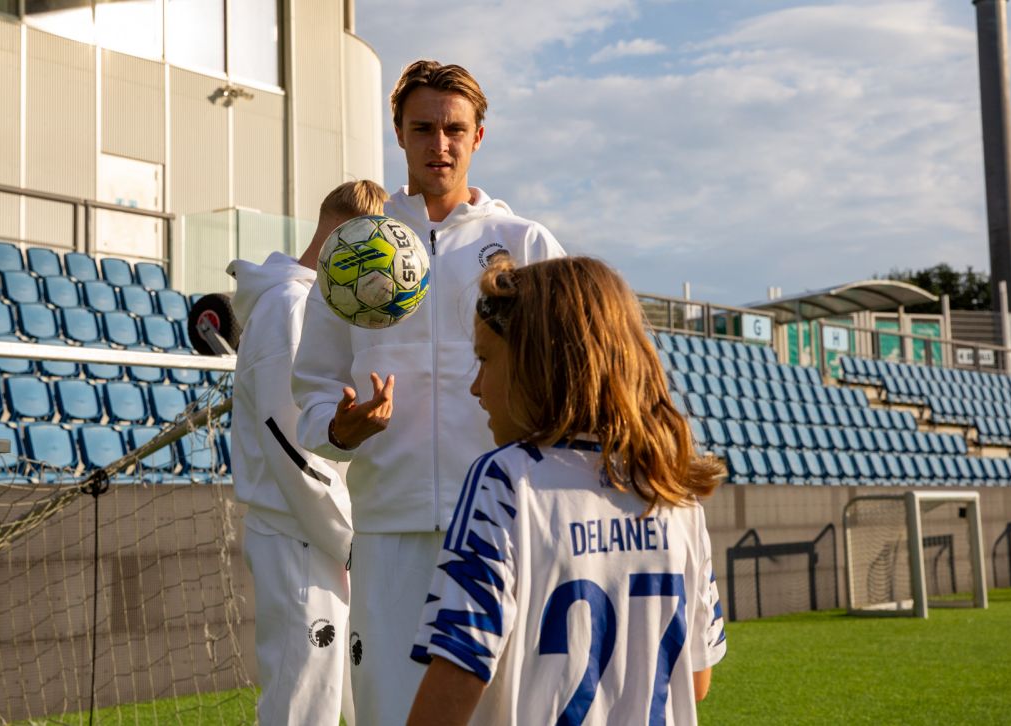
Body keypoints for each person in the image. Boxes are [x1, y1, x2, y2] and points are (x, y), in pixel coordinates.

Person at [292, 59, 566, 724]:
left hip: (505, 527)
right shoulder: (356, 248)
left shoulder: (524, 243)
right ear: (399, 134)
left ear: (479, 136)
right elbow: (314, 387)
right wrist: (342, 428)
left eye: (453, 129)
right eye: (422, 129)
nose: (438, 145)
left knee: (508, 713)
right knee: (393, 713)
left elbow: (567, 382)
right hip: (390, 533)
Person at [405, 256, 728, 726]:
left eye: (485, 360)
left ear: (538, 362)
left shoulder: (508, 479)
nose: (476, 387)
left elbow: (458, 675)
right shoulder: (674, 491)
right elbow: (696, 681)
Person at [228, 180, 388, 725]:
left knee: (348, 696)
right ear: (351, 236)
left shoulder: (308, 303)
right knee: (302, 704)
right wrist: (349, 541)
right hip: (301, 533)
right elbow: (290, 445)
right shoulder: (288, 306)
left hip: (317, 532)